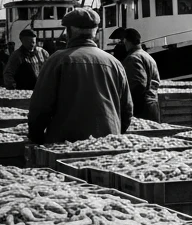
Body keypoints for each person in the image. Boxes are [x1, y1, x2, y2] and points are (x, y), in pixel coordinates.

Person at [28, 7, 133, 143]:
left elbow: (40, 107)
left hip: (66, 143)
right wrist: (115, 134)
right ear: (95, 32)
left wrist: (36, 138)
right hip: (108, 142)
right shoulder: (115, 63)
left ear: (70, 31)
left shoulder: (57, 60)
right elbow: (127, 109)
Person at [120, 27, 161, 120]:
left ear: (126, 41)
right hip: (153, 105)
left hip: (141, 110)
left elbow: (138, 85)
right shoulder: (148, 56)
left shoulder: (133, 58)